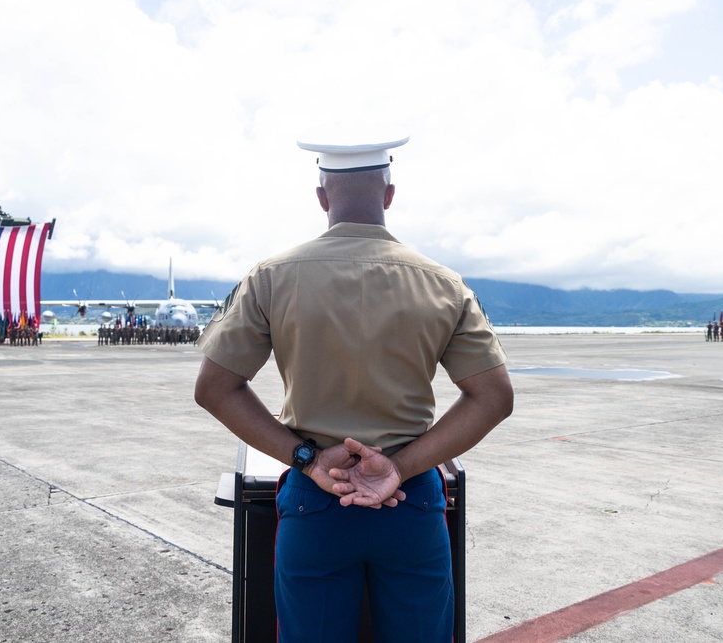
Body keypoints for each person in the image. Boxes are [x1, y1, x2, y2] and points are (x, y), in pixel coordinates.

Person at [194, 131, 514, 642]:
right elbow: (494, 398)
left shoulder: (271, 277)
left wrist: (308, 460)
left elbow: (215, 388)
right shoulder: (444, 283)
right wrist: (402, 467)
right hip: (407, 501)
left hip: (317, 500)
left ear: (322, 196)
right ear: (389, 194)